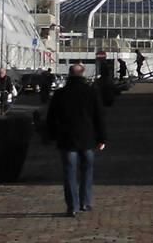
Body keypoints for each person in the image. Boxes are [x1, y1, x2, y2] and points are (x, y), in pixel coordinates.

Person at [45, 62, 107, 216]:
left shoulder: (60, 94)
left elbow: (52, 118)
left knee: (69, 173)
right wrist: (102, 138)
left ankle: (73, 205)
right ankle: (85, 202)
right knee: (87, 171)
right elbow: (99, 117)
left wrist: (52, 135)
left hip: (67, 139)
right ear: (83, 74)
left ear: (70, 74)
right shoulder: (91, 92)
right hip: (87, 138)